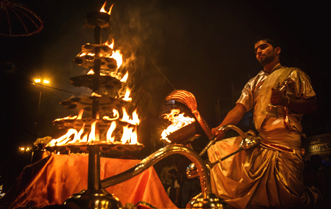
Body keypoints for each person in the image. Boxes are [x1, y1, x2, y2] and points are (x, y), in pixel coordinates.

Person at [208, 38, 322, 209]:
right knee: (217, 150)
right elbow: (239, 109)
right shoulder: (253, 82)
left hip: (287, 144)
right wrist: (221, 128)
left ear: (277, 50)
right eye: (256, 50)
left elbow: (312, 105)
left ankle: (317, 199)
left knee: (289, 200)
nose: (259, 51)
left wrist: (286, 101)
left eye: (263, 47)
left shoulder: (294, 74)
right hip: (262, 143)